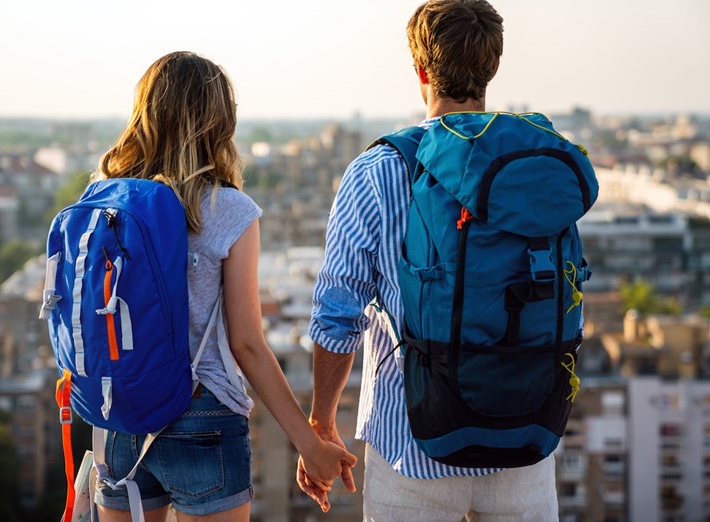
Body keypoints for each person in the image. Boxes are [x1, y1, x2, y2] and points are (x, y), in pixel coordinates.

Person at [298, 1, 560, 520]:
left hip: (413, 445)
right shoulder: (539, 166)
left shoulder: (377, 171)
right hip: (525, 437)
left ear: (421, 70)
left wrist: (320, 424)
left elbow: (337, 316)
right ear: (493, 67)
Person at [91, 51, 356, 522]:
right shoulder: (229, 209)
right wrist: (309, 444)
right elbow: (247, 344)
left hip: (121, 413)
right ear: (220, 123)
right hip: (202, 414)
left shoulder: (104, 199)